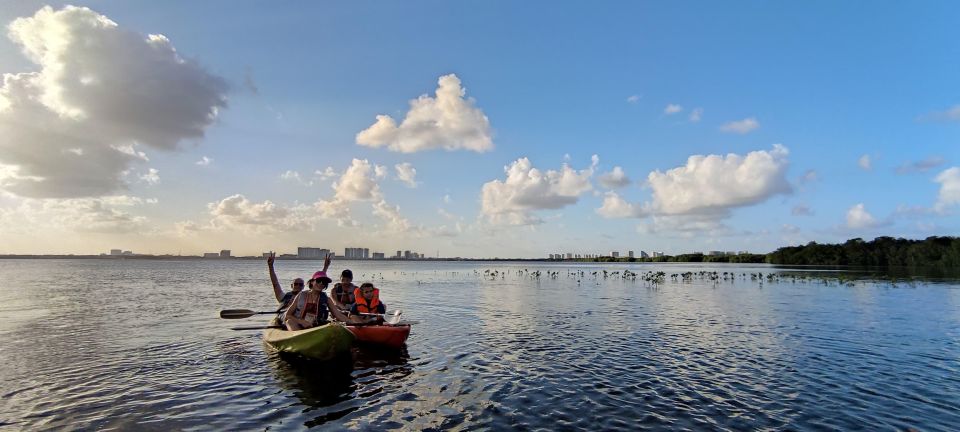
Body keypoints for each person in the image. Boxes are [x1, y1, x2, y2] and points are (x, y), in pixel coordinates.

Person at [283, 270, 355, 330]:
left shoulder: (326, 299)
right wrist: (301, 321)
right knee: (289, 322)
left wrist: (353, 322)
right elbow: (287, 315)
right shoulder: (301, 295)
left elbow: (338, 315)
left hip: (315, 326)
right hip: (298, 325)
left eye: (324, 282)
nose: (321, 283)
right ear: (312, 282)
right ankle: (298, 340)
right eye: (318, 281)